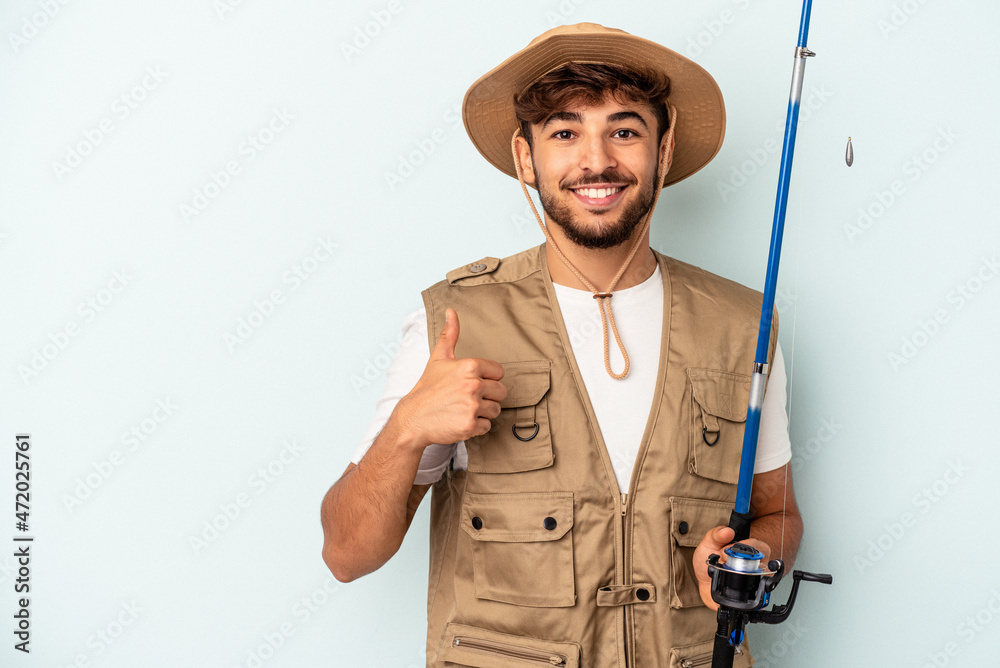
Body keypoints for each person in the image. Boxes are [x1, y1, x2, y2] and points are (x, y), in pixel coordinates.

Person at [321, 23, 802, 667]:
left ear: (663, 153)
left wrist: (755, 557)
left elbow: (779, 514)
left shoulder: (745, 325)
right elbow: (347, 555)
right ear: (526, 158)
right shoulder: (453, 325)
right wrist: (408, 427)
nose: (596, 160)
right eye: (565, 133)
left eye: (625, 131)